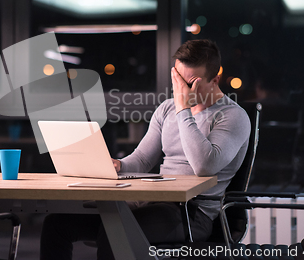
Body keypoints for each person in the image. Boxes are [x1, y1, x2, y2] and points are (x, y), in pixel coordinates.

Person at [40, 39, 251, 260]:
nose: (182, 89)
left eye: (191, 83)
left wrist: (183, 108)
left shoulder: (232, 116)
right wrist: (119, 165)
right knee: (57, 225)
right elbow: (142, 159)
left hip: (191, 214)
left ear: (215, 79)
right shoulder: (166, 109)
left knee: (115, 232)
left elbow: (204, 165)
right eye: (178, 80)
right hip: (151, 201)